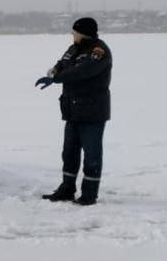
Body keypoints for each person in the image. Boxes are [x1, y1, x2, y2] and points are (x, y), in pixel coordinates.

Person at [35, 16, 112, 206]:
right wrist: (54, 70)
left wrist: (57, 79)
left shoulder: (99, 51)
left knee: (92, 155)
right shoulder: (74, 48)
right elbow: (64, 62)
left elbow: (81, 72)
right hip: (72, 110)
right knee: (69, 152)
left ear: (83, 32)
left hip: (92, 112)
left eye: (74, 32)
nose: (72, 34)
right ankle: (67, 188)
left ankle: (89, 194)